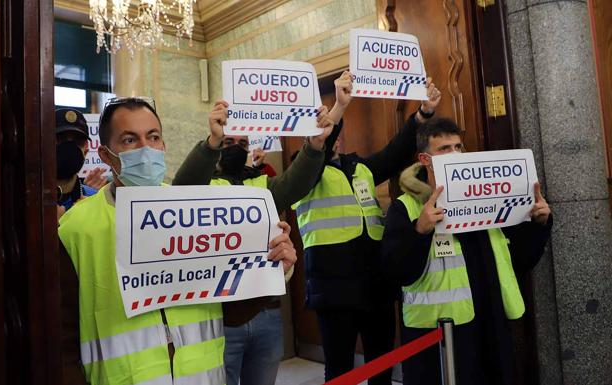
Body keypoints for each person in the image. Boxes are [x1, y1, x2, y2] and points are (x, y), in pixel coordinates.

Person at [58, 97, 298, 385]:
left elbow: (229, 311)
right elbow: (62, 341)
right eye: (130, 139)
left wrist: (273, 268)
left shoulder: (193, 212)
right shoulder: (76, 228)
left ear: (164, 146)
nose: (146, 149)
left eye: (154, 137)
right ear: (107, 155)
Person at [293, 71, 441, 384]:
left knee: (382, 367)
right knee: (340, 371)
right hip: (333, 291)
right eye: (319, 121)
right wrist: (339, 109)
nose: (327, 126)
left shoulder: (357, 165)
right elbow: (318, 149)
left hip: (376, 285)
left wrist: (423, 113)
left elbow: (394, 153)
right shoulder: (301, 171)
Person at [173, 100, 334, 385]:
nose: (235, 146)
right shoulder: (203, 184)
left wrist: (315, 145)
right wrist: (212, 141)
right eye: (229, 140)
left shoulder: (261, 185)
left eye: (242, 142)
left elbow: (295, 183)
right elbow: (181, 189)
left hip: (266, 315)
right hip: (221, 319)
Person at [381, 118, 552, 385]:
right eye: (444, 149)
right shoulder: (406, 208)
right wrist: (419, 231)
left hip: (491, 324)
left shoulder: (489, 199)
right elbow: (395, 271)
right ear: (425, 159)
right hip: (440, 334)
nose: (455, 154)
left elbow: (521, 259)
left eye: (459, 147)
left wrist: (538, 224)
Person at [55, 108, 98, 219]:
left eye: (77, 142)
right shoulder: (31, 202)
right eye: (60, 140)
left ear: (85, 151)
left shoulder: (95, 200)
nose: (68, 148)